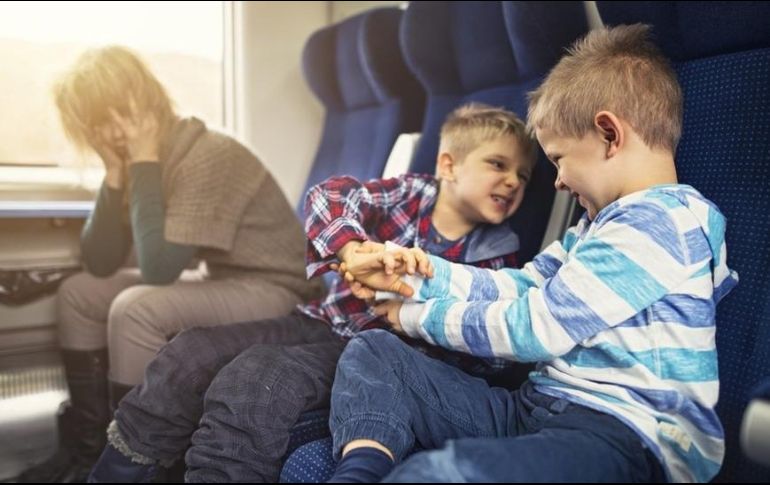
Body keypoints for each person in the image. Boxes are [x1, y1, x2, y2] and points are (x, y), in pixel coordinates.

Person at [322, 24, 739, 483]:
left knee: (438, 475)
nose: (557, 181)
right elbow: (519, 285)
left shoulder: (664, 222)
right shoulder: (595, 227)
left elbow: (539, 326)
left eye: (558, 159)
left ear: (608, 134)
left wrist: (412, 316)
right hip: (537, 410)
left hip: (624, 433)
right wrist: (417, 276)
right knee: (375, 352)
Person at [87, 103, 537, 482]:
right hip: (319, 320)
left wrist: (415, 308)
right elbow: (330, 195)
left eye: (523, 174)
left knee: (258, 377)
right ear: (448, 166)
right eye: (498, 164)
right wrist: (352, 248)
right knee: (189, 352)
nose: (514, 181)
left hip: (373, 351)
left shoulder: (497, 254)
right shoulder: (407, 195)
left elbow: (489, 353)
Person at [18, 46, 322, 483]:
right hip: (223, 277)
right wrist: (114, 174)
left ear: (146, 99)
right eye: (98, 123)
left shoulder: (208, 154)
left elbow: (160, 269)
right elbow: (99, 260)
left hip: (275, 285)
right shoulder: (142, 164)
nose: (113, 131)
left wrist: (140, 163)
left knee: (136, 308)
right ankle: (86, 452)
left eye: (118, 112)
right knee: (78, 292)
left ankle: (139, 465)